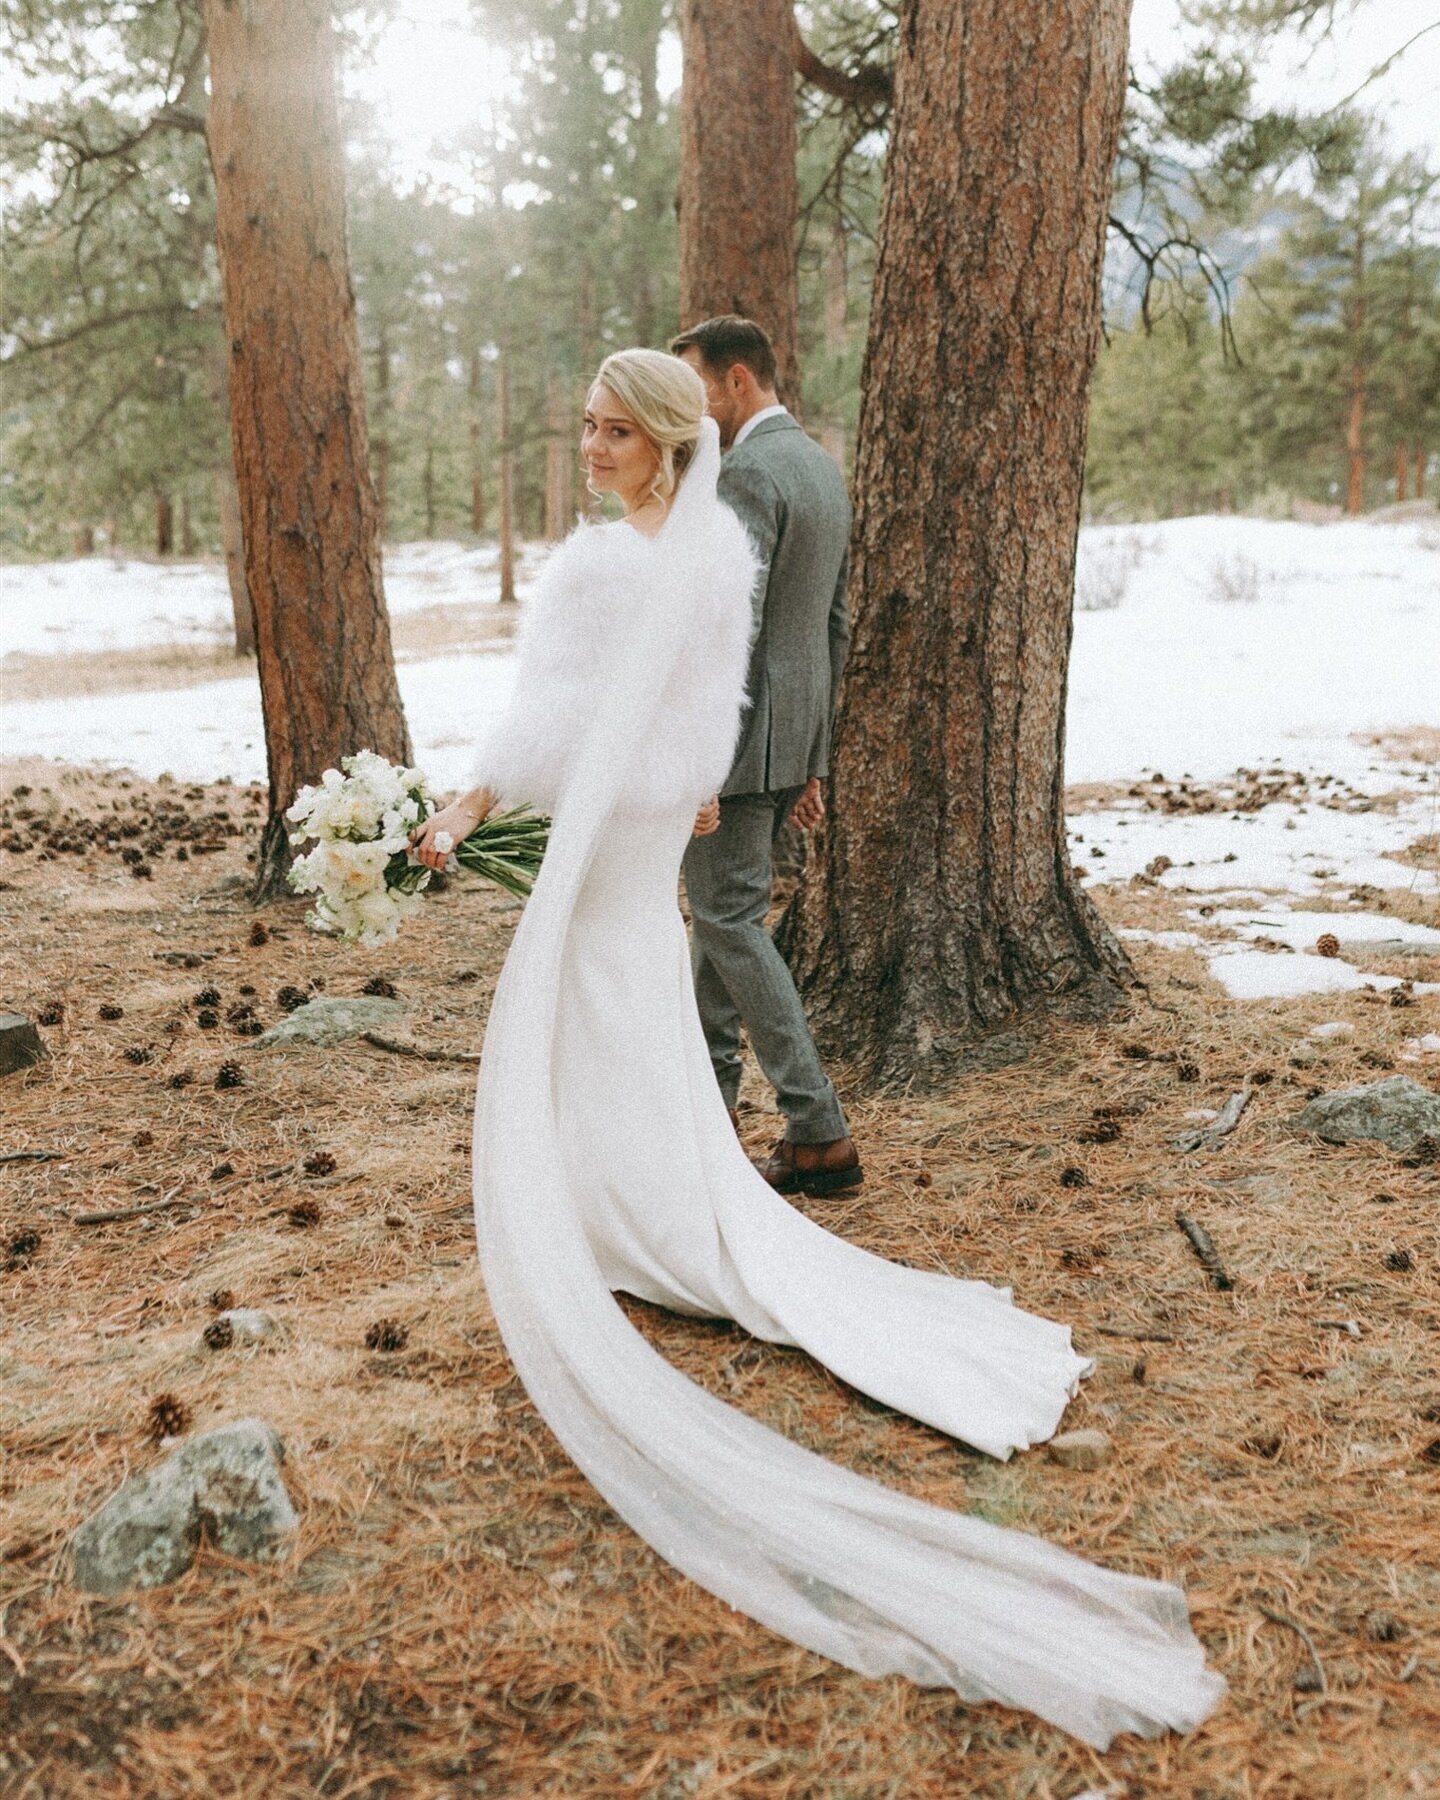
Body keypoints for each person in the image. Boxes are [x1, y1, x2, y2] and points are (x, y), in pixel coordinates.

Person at [411, 348, 1224, 1749]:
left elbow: (555, 719)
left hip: (617, 824)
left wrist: (472, 797)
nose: (589, 447)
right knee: (630, 997)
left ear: (668, 440)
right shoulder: (715, 549)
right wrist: (660, 795)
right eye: (587, 425)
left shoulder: (609, 567)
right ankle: (638, 1208)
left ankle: (624, 1221)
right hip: (660, 813)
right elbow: (708, 712)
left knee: (597, 996)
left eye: (612, 430)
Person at [671, 316, 860, 1198]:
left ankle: (817, 1125)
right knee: (720, 918)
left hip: (736, 739)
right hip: (785, 739)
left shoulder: (746, 471)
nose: (692, 410)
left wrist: (704, 756)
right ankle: (709, 1118)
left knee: (731, 922)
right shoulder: (820, 466)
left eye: (696, 389)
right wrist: (813, 760)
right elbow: (831, 624)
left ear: (737, 381)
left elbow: (729, 629)